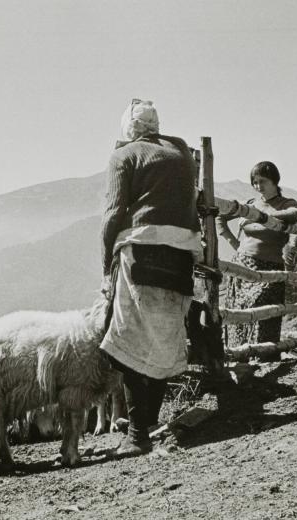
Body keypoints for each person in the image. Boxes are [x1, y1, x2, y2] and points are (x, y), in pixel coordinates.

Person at [100, 99, 202, 456]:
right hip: (183, 253)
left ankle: (137, 433)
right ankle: (147, 421)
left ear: (128, 128)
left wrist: (104, 264)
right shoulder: (182, 152)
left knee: (129, 338)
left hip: (141, 249)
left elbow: (113, 214)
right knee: (162, 337)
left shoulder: (124, 156)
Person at [217, 161, 297, 348]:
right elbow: (219, 216)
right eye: (254, 182)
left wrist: (260, 215)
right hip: (243, 264)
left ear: (274, 181)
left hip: (270, 266)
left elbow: (293, 214)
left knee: (264, 308)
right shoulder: (250, 204)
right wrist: (234, 243)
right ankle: (240, 355)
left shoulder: (286, 203)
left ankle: (264, 354)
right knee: (239, 309)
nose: (257, 186)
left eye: (262, 181)